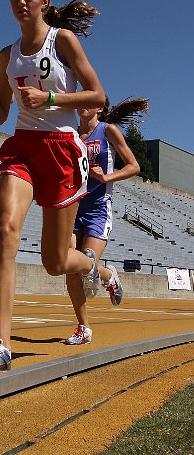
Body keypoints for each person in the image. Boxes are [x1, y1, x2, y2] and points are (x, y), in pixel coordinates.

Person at [0, 0, 105, 375]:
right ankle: (1, 345)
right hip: (23, 147)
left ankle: (95, 266)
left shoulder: (62, 40)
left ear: (45, 1)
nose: (21, 2)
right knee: (5, 230)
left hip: (62, 150)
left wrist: (50, 96)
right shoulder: (8, 54)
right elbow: (2, 111)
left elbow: (98, 94)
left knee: (54, 262)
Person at [64, 96, 147, 345]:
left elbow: (134, 166)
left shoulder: (107, 130)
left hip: (99, 208)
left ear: (99, 107)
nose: (82, 104)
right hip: (74, 206)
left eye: (89, 100)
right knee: (70, 265)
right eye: (80, 99)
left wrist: (107, 177)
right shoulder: (71, 134)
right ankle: (83, 327)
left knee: (87, 260)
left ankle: (108, 277)